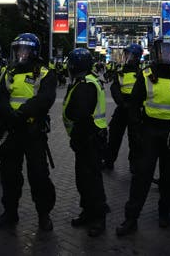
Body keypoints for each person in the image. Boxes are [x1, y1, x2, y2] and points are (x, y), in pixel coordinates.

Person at [116, 37, 170, 236]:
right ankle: (131, 219)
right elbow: (134, 105)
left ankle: (165, 213)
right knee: (141, 177)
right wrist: (136, 129)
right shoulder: (146, 74)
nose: (166, 54)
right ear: (156, 52)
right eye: (162, 50)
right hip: (148, 131)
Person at [0, 33, 57, 232]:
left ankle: (44, 215)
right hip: (12, 131)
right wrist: (8, 114)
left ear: (33, 52)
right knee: (9, 175)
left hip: (33, 131)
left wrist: (22, 113)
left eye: (24, 49)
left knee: (39, 175)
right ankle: (10, 213)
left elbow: (45, 98)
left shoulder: (44, 72)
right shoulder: (8, 71)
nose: (20, 53)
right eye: (18, 49)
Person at [63, 48, 108, 237]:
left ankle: (98, 218)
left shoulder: (85, 84)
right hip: (88, 139)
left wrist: (76, 139)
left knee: (91, 180)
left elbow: (81, 115)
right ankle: (88, 212)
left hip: (88, 139)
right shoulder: (85, 81)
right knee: (83, 179)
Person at [105, 43, 142, 171]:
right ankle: (109, 161)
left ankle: (134, 164)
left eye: (129, 55)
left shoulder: (142, 73)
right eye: (126, 54)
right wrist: (121, 103)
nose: (127, 57)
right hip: (122, 108)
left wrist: (134, 104)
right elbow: (114, 88)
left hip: (135, 110)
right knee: (114, 136)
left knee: (135, 139)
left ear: (136, 57)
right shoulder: (120, 72)